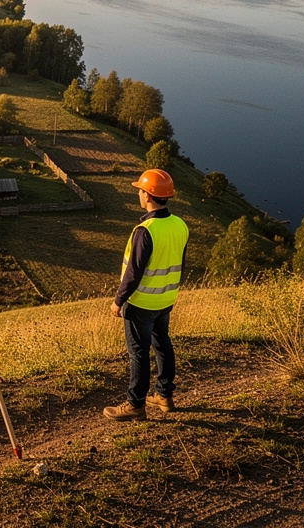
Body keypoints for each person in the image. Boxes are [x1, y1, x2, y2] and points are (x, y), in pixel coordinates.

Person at [104, 168, 188, 422]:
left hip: (141, 302)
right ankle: (164, 395)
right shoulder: (180, 225)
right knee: (162, 343)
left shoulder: (145, 230)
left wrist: (118, 300)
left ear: (148, 195)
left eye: (140, 190)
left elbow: (133, 273)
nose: (139, 194)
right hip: (165, 299)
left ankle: (135, 405)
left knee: (138, 352)